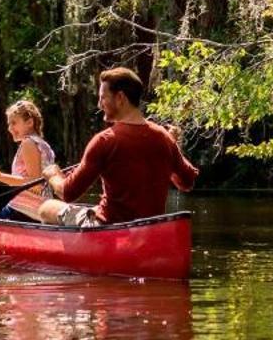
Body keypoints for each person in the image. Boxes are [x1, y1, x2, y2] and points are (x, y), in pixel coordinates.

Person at [36, 68, 198, 228]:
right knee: (90, 209)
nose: (100, 104)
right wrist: (169, 152)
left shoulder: (104, 141)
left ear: (120, 97)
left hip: (109, 227)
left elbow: (67, 192)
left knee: (47, 208)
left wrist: (53, 175)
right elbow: (187, 182)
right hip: (149, 231)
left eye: (103, 98)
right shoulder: (165, 138)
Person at [0, 99, 58, 219]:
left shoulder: (28, 144)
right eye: (9, 124)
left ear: (30, 122)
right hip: (39, 209)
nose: (9, 128)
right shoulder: (43, 144)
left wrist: (0, 176)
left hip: (26, 210)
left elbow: (35, 185)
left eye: (14, 123)